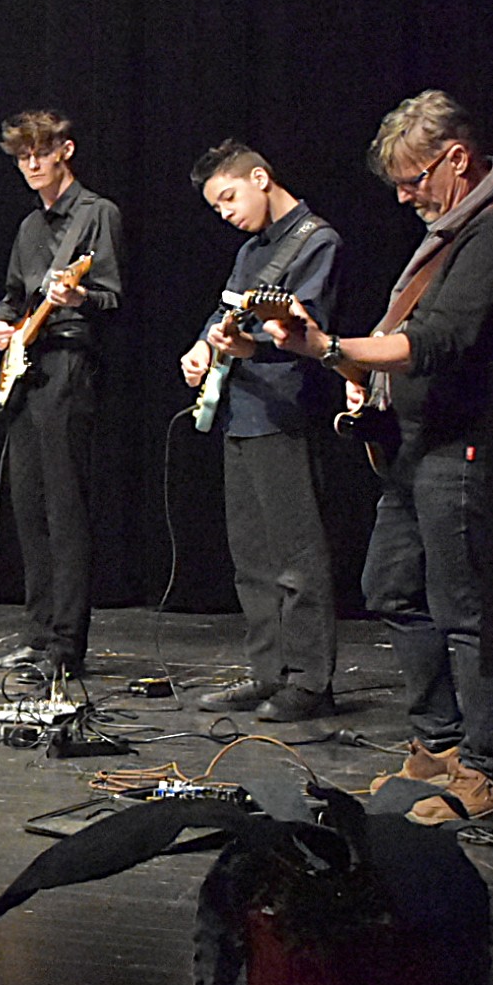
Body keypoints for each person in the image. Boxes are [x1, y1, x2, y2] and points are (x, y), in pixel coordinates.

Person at [264, 90, 493, 823]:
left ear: (457, 158)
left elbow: (441, 339)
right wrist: (341, 363)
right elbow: (404, 339)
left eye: (413, 178)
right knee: (389, 587)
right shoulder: (451, 232)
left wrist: (332, 345)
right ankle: (439, 745)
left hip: (466, 441)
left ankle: (488, 774)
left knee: (463, 610)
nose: (402, 195)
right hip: (417, 442)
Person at [177, 142, 340, 721]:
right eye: (215, 207)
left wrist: (254, 345)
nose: (225, 213)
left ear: (260, 178)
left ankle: (310, 681)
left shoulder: (317, 241)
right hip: (239, 410)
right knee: (251, 557)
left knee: (298, 556)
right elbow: (224, 313)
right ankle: (269, 671)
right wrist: (204, 348)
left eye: (229, 197)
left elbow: (308, 329)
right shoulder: (252, 251)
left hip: (285, 410)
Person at [0, 110, 124, 679]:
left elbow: (113, 296)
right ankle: (38, 632)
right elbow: (13, 295)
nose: (32, 164)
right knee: (29, 505)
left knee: (65, 508)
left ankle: (67, 643)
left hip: (70, 363)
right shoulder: (29, 228)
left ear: (66, 150)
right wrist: (1, 323)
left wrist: (78, 298)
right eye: (23, 157)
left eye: (41, 153)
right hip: (28, 369)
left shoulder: (97, 214)